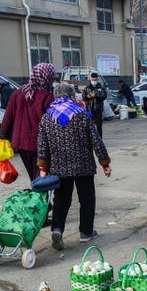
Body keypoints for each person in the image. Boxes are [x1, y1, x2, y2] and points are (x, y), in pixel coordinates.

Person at [37, 83, 111, 251]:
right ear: (71, 95)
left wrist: (43, 166)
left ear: (56, 95)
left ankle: (57, 230)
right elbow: (96, 141)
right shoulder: (82, 114)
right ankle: (86, 232)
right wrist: (105, 163)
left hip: (59, 168)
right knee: (87, 199)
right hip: (83, 166)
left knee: (61, 200)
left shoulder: (47, 117)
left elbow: (42, 146)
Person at [1, 62, 55, 184]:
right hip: (39, 143)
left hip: (20, 142)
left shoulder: (17, 93)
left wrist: (3, 135)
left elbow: (7, 117)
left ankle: (38, 197)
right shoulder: (47, 97)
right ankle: (40, 200)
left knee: (33, 174)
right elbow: (52, 122)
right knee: (42, 176)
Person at [82, 73, 107, 137]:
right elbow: (83, 97)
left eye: (95, 80)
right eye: (92, 80)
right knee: (89, 127)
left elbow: (104, 96)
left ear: (97, 79)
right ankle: (90, 140)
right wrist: (87, 97)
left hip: (98, 109)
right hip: (89, 110)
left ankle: (99, 140)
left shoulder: (101, 87)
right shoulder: (87, 88)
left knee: (99, 127)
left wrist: (96, 95)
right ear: (90, 79)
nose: (94, 81)